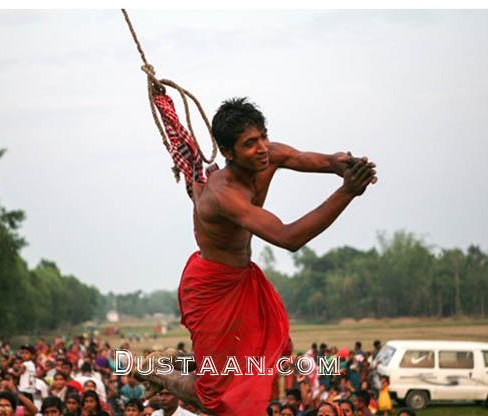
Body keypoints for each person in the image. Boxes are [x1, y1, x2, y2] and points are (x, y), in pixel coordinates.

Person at [148, 97, 377, 415]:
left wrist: (341, 165)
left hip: (243, 278)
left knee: (264, 370)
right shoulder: (223, 194)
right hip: (209, 288)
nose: (262, 148)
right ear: (228, 153)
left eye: (263, 136)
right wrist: (347, 192)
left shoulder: (267, 155)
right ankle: (157, 371)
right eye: (250, 144)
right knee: (215, 398)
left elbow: (305, 157)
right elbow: (288, 238)